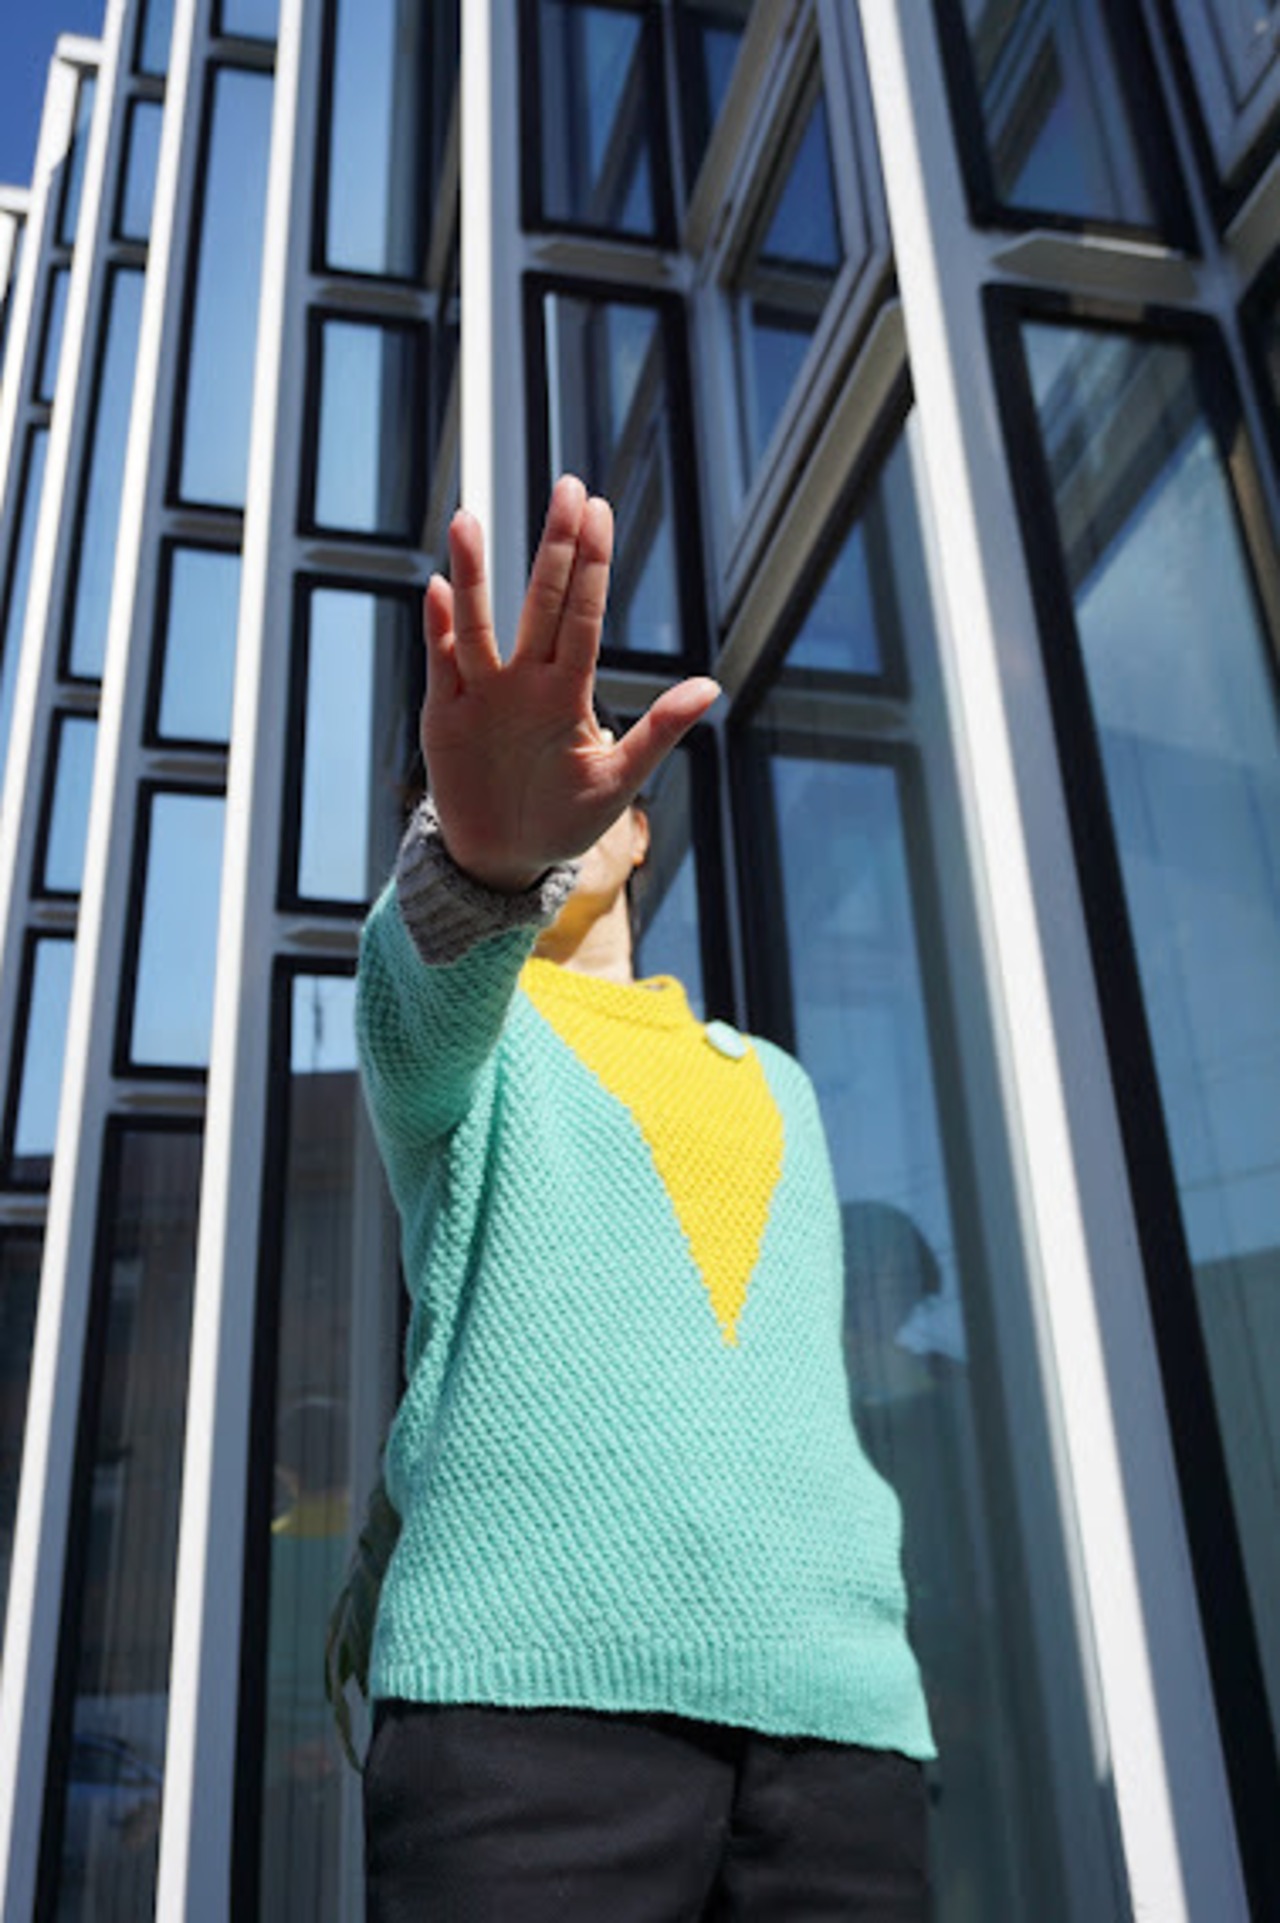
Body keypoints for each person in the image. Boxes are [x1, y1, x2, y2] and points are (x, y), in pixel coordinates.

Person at [356, 475, 935, 1920]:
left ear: (637, 829)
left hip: (844, 1720)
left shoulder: (778, 1082)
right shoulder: (464, 1043)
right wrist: (479, 860)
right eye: (470, 791)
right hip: (524, 1717)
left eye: (585, 760)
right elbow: (418, 992)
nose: (559, 783)